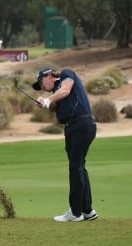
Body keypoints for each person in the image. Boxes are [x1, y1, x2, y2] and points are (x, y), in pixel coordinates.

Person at [32, 67, 99, 222]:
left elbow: (66, 90)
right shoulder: (56, 91)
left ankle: (75, 213)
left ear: (49, 75)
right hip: (72, 128)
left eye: (41, 83)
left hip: (81, 124)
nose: (42, 88)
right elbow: (58, 105)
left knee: (75, 167)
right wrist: (45, 103)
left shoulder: (66, 75)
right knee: (79, 166)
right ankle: (87, 210)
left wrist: (49, 99)